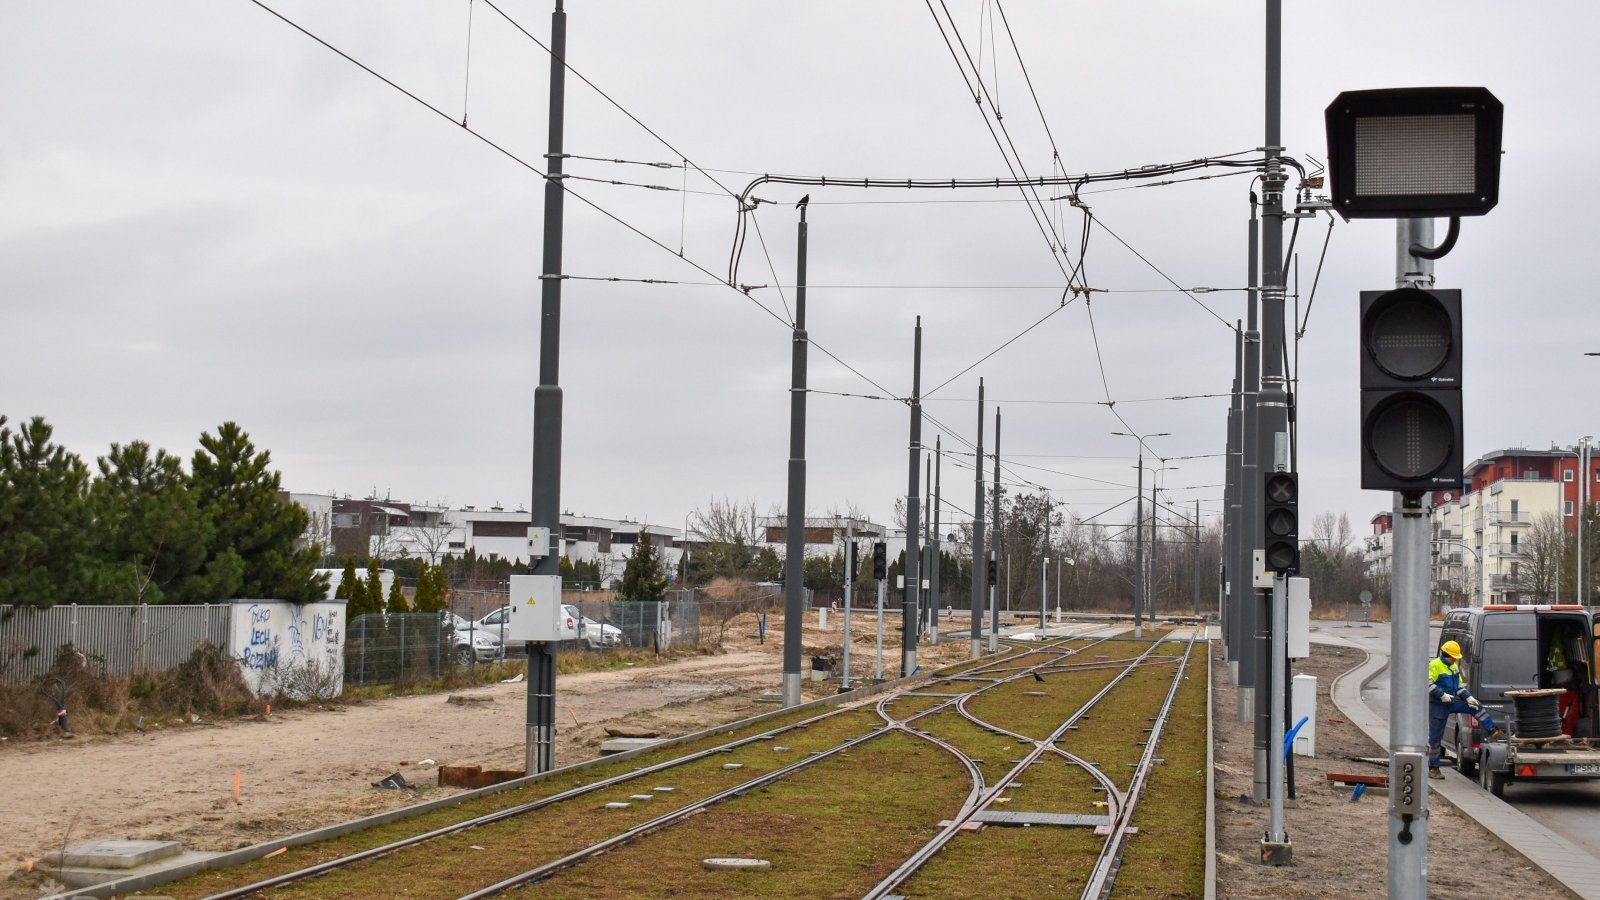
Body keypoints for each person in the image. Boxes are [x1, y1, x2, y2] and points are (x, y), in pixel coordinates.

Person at [1429, 639, 1502, 778]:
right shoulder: (1434, 665)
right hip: (1437, 705)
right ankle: (1433, 768)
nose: (1456, 660)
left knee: (1475, 706)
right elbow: (1427, 684)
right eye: (1454, 658)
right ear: (1447, 655)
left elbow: (1460, 687)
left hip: (1451, 701)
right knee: (1435, 737)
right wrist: (1441, 695)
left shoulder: (1454, 667)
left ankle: (1492, 730)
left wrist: (1468, 697)